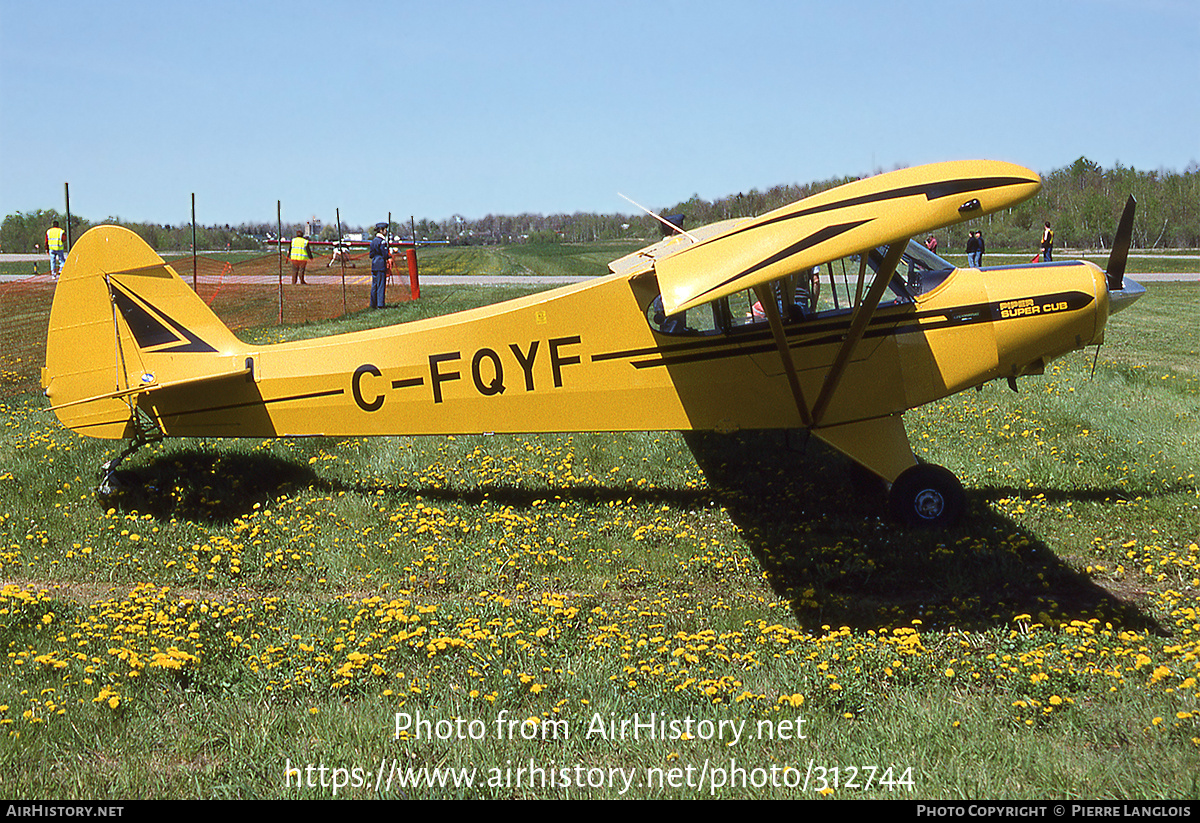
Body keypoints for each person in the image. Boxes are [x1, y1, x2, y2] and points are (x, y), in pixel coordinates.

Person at [369, 222, 389, 308]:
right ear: (381, 230)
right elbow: (384, 254)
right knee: (381, 285)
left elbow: (371, 254)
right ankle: (380, 304)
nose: (386, 231)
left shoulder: (373, 241)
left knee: (374, 285)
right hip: (381, 265)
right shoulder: (382, 242)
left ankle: (372, 304)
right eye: (385, 229)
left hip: (374, 264)